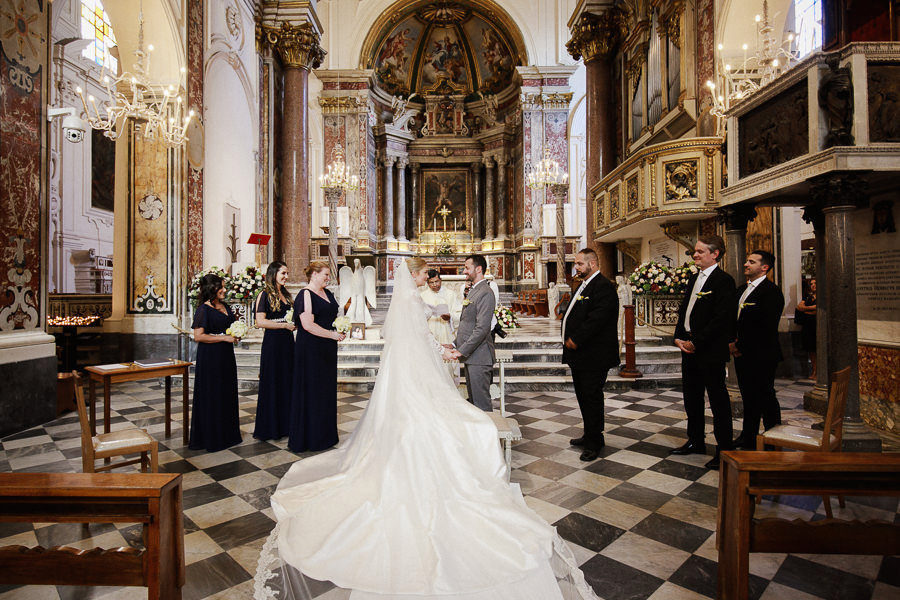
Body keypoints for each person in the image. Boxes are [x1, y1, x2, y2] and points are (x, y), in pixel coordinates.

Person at [254, 257, 600, 600]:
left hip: (405, 368)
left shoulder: (409, 299)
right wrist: (445, 350)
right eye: (423, 275)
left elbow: (406, 334)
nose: (426, 278)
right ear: (417, 275)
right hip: (414, 365)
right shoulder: (411, 299)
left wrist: (446, 347)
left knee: (416, 415)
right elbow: (419, 337)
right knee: (440, 415)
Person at [671, 235, 737, 470]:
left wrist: (696, 341)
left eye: (699, 252)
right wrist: (678, 335)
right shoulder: (693, 278)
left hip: (709, 350)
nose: (695, 255)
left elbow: (722, 319)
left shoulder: (723, 281)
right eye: (695, 252)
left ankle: (724, 448)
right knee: (692, 397)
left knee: (718, 400)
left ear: (715, 254)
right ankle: (696, 440)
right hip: (689, 348)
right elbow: (685, 310)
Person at [562, 248, 620, 462]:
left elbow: (597, 319)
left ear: (592, 264)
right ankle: (589, 433)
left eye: (579, 263)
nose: (575, 267)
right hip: (581, 355)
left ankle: (594, 442)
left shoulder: (603, 286)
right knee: (583, 395)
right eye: (576, 263)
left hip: (594, 354)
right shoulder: (585, 284)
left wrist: (576, 339)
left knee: (592, 397)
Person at [288, 261, 345, 453]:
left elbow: (331, 317)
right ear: (313, 274)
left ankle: (326, 435)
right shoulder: (305, 294)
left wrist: (339, 329)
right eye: (326, 275)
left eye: (329, 275)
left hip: (327, 348)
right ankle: (310, 437)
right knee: (311, 390)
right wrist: (332, 335)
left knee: (325, 391)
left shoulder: (327, 293)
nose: (328, 278)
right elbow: (308, 325)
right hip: (310, 349)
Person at [730, 251, 785, 449]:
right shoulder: (741, 290)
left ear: (765, 267)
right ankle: (749, 435)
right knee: (748, 397)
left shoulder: (771, 292)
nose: (746, 264)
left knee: (765, 396)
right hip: (742, 353)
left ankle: (773, 438)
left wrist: (739, 345)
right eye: (746, 261)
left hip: (762, 354)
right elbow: (734, 320)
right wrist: (732, 343)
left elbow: (765, 326)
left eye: (751, 262)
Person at [189, 273, 242, 452]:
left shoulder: (225, 305)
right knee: (213, 394)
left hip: (226, 357)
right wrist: (224, 339)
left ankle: (228, 434)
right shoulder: (203, 310)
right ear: (212, 288)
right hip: (210, 358)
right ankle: (213, 437)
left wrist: (236, 334)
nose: (225, 290)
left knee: (226, 393)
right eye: (221, 287)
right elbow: (198, 336)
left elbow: (230, 327)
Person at [253, 261, 295, 441]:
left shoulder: (285, 294)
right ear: (273, 274)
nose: (286, 276)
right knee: (273, 382)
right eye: (283, 273)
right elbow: (260, 322)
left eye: (287, 273)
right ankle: (270, 427)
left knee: (287, 381)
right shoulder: (264, 294)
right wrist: (284, 325)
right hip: (273, 344)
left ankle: (286, 425)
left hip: (287, 342)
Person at [451, 254, 496, 411]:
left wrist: (460, 351)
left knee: (481, 404)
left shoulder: (485, 292)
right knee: (474, 403)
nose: (464, 271)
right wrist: (453, 344)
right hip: (472, 357)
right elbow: (467, 323)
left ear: (478, 269)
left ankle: (489, 435)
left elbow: (482, 328)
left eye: (467, 268)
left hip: (480, 357)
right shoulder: (473, 290)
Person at [421, 269, 461, 382]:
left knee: (448, 368)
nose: (435, 285)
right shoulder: (422, 296)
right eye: (431, 282)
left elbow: (459, 313)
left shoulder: (451, 294)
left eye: (437, 281)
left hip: (447, 332)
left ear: (441, 280)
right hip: (431, 333)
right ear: (427, 283)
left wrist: (450, 317)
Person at [796, 278, 817, 379]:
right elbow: (799, 307)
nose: (813, 285)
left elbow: (818, 308)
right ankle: (814, 370)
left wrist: (806, 309)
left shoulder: (822, 296)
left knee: (818, 349)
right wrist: (811, 309)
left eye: (815, 283)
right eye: (811, 284)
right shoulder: (808, 296)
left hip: (817, 326)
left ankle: (819, 372)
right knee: (811, 350)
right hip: (808, 326)